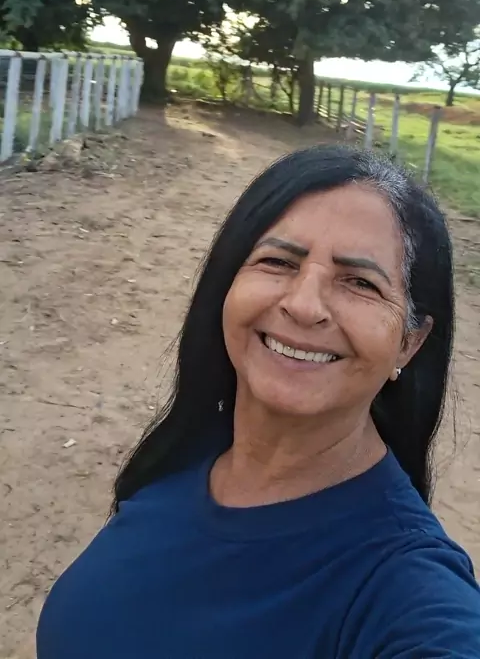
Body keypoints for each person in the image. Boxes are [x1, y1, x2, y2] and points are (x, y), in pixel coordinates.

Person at [37, 145, 480, 658]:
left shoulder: (405, 591)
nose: (303, 305)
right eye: (278, 261)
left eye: (360, 282)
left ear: (410, 342)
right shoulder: (179, 460)